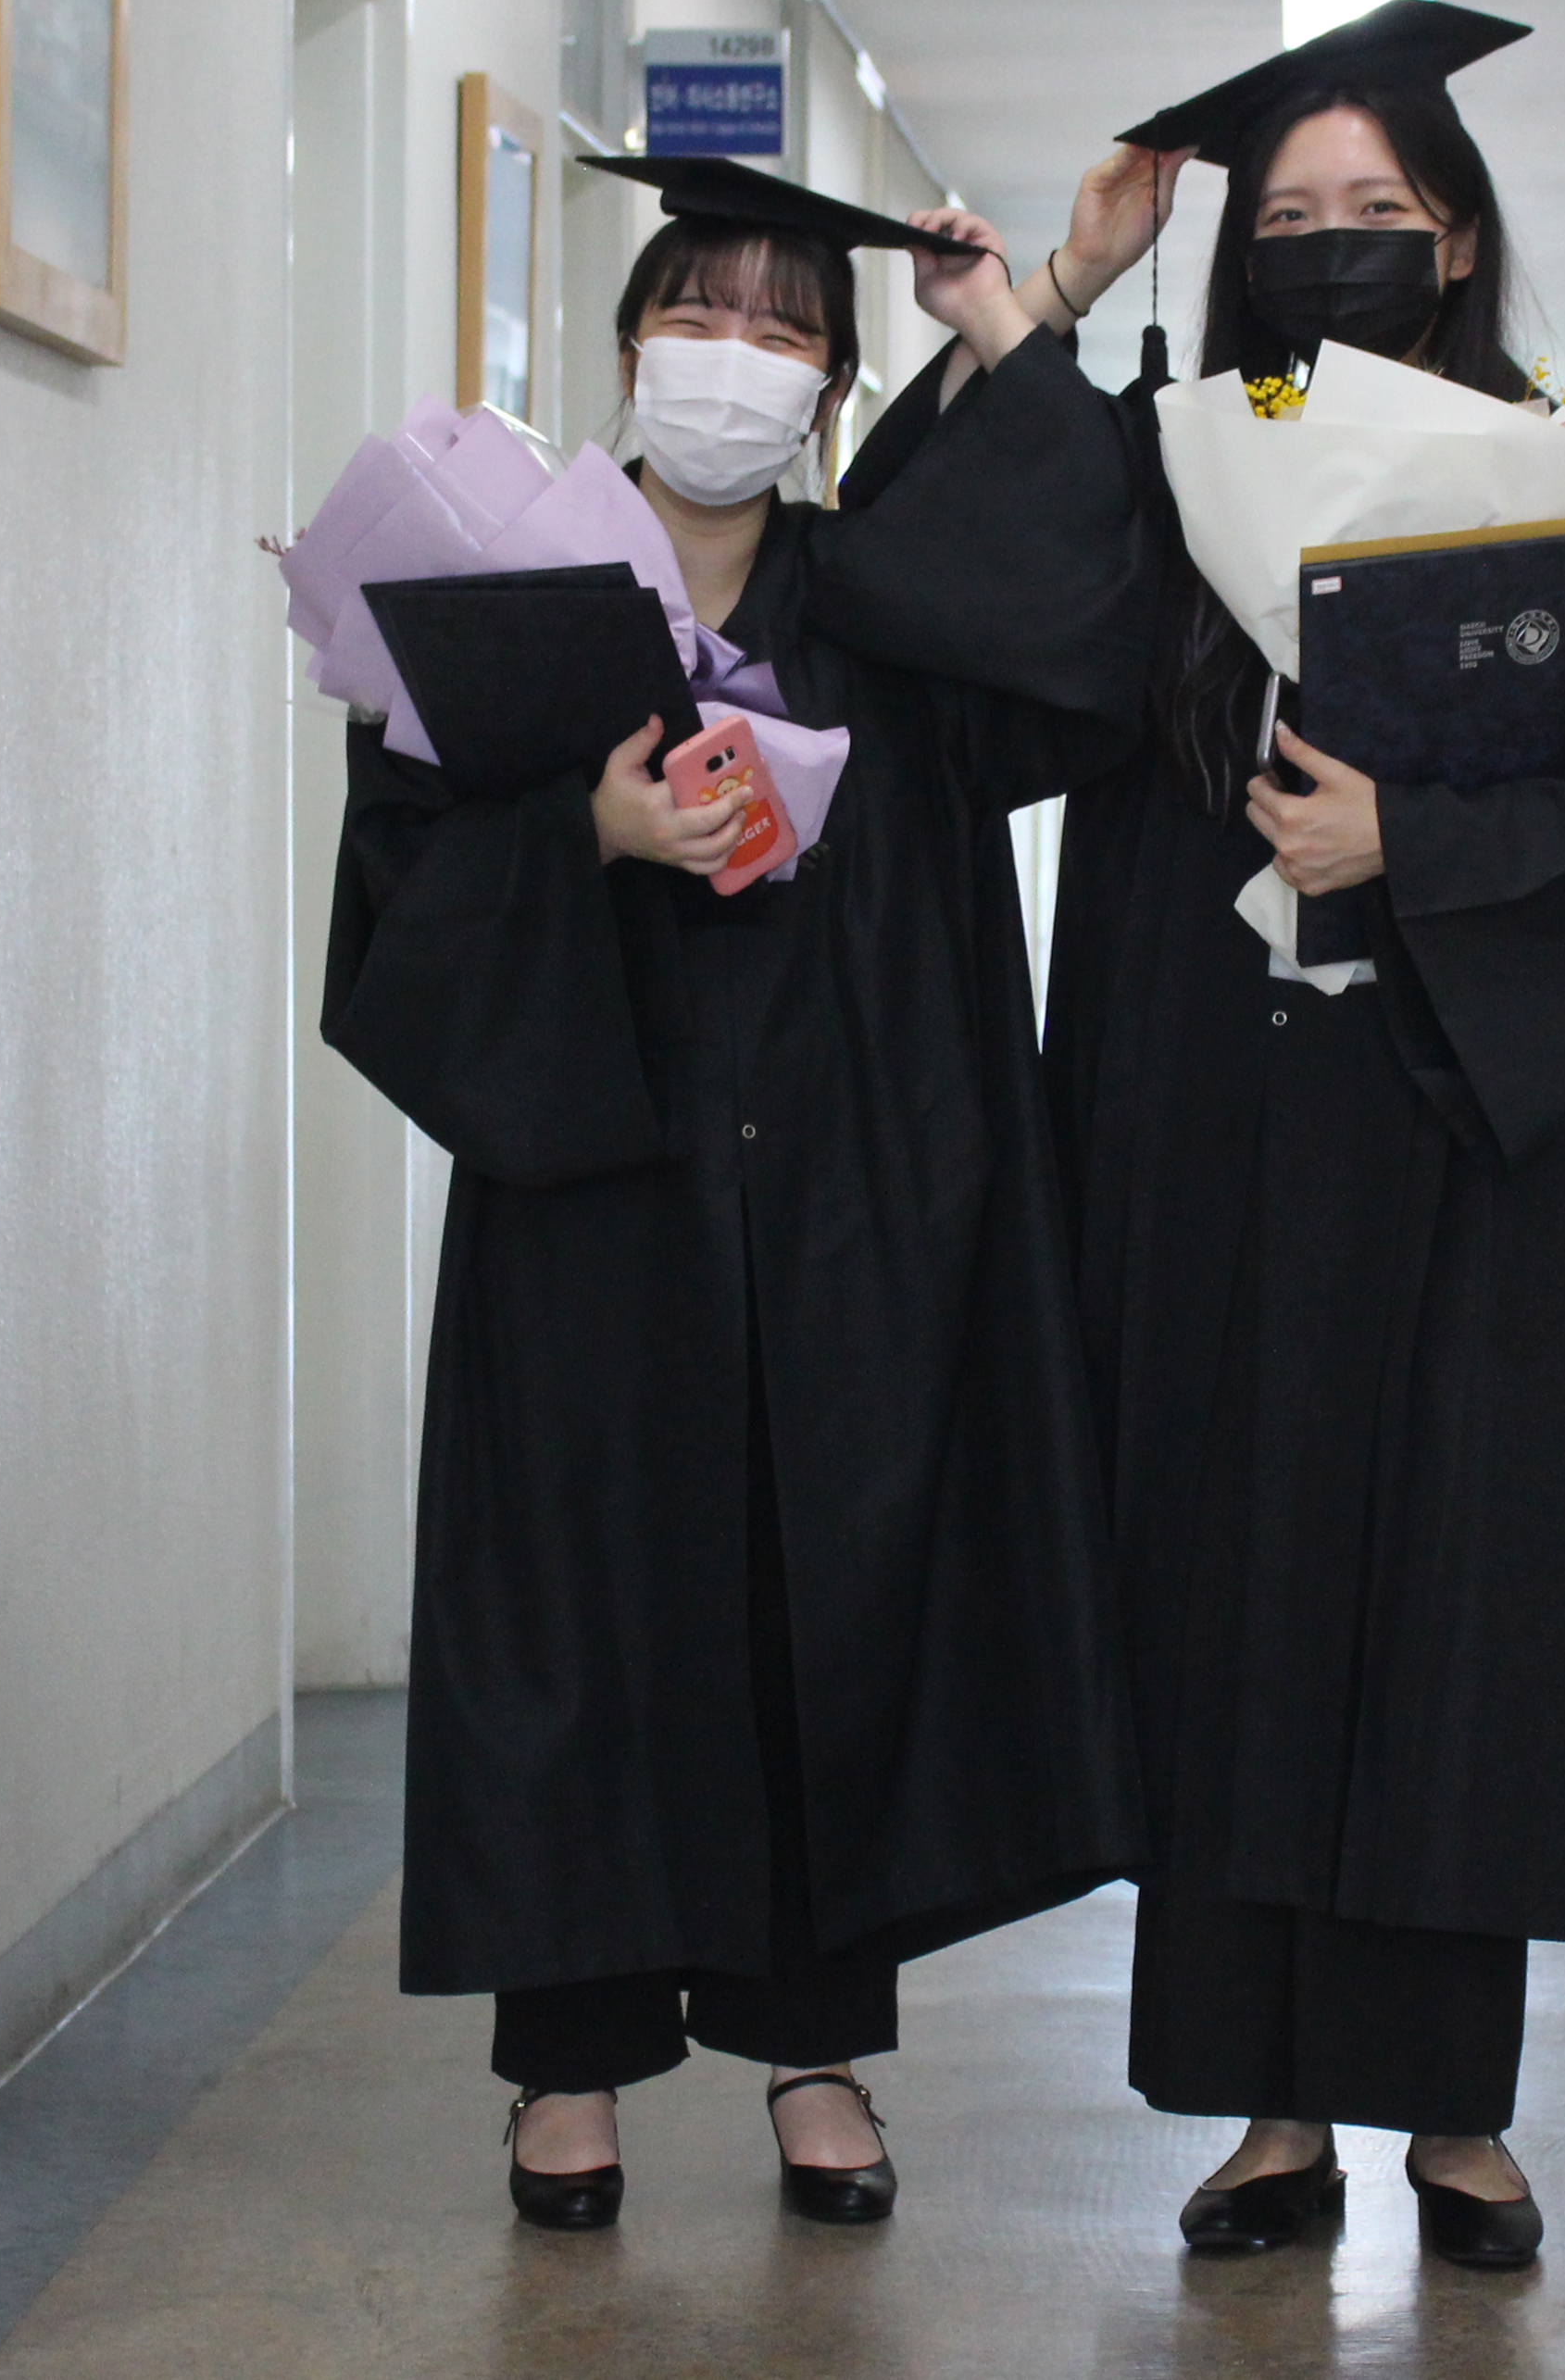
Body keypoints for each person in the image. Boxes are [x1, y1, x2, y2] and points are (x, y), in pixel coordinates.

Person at [812, 2, 1565, 2269]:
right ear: (1241, 244)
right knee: (1225, 1594)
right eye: (1293, 213)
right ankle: (1268, 2110)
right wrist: (1053, 290)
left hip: (1467, 1137)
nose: (1335, 243)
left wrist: (1413, 848)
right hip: (1205, 1125)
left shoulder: (1560, 484)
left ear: (1455, 237)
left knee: (1458, 1600)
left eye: (1378, 208)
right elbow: (929, 590)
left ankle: (1454, 2110)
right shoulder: (1172, 470)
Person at [319, 157, 1147, 2232]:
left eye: (785, 328)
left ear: (832, 387)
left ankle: (815, 2044)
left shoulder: (886, 603)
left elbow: (1096, 611)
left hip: (851, 1202)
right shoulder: (505, 599)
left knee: (820, 1604)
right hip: (595, 1205)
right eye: (699, 312)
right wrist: (585, 837)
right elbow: (396, 898)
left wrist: (1028, 306)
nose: (734, 357)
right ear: (626, 345)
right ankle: (566, 2064)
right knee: (578, 1621)